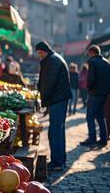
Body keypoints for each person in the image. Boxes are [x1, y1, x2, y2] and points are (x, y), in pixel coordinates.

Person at [36, 41, 72, 171]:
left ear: (45, 51)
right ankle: (59, 160)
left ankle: (58, 162)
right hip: (58, 99)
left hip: (58, 99)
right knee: (57, 130)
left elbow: (49, 83)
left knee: (55, 131)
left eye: (40, 53)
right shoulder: (52, 59)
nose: (39, 56)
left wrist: (43, 100)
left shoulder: (52, 61)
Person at [80, 45, 110, 147]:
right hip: (104, 94)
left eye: (88, 53)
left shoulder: (92, 62)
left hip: (95, 93)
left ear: (92, 52)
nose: (88, 55)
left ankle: (92, 139)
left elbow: (91, 79)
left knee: (90, 117)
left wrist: (89, 89)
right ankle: (103, 140)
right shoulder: (107, 62)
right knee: (101, 117)